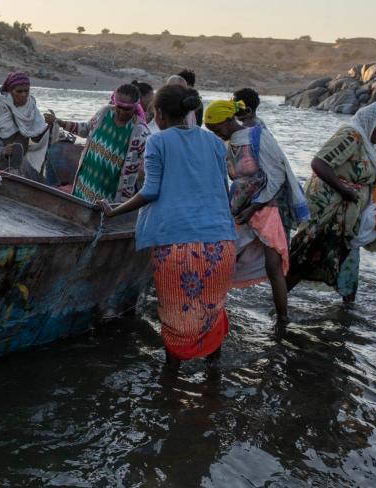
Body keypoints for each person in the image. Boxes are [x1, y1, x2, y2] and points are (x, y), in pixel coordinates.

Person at [99, 83, 237, 363]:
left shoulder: (157, 141)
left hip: (177, 246)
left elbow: (150, 191)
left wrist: (114, 211)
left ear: (159, 114)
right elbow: (222, 189)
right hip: (221, 243)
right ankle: (212, 378)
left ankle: (171, 382)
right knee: (212, 312)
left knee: (176, 318)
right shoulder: (214, 142)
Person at [204, 99, 309, 325]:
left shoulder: (259, 137)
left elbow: (277, 176)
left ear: (230, 119)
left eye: (218, 129)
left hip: (270, 206)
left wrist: (254, 206)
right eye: (212, 131)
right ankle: (214, 309)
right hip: (243, 205)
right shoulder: (229, 142)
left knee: (274, 266)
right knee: (227, 256)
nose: (217, 134)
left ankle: (282, 319)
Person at [287, 101, 376, 303]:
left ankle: (346, 317)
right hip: (327, 213)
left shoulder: (368, 145)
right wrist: (344, 190)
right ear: (371, 122)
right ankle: (278, 309)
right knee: (305, 258)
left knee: (348, 263)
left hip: (347, 218)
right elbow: (319, 163)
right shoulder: (350, 136)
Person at [48, 83, 151, 204]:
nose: (121, 112)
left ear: (135, 107)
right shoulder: (104, 113)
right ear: (114, 102)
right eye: (119, 107)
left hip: (110, 197)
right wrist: (60, 122)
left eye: (127, 109)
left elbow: (145, 167)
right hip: (84, 184)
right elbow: (85, 129)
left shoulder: (141, 132)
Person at [0, 72, 52, 171]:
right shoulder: (1, 107)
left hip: (20, 156)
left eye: (26, 91)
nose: (23, 95)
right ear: (10, 91)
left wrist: (51, 125)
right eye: (19, 91)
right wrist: (2, 151)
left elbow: (37, 136)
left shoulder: (30, 105)